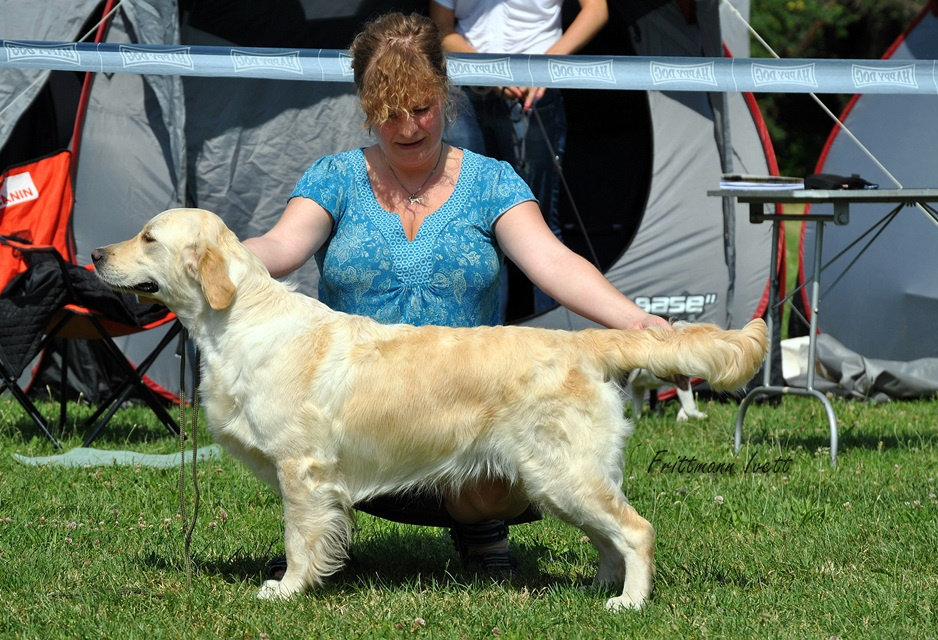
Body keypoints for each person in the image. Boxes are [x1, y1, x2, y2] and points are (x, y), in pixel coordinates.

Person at [243, 11, 670, 579]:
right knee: (301, 437)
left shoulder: (490, 181)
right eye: (388, 113)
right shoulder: (335, 178)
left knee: (502, 451)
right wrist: (210, 259)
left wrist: (633, 319)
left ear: (445, 92)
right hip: (358, 432)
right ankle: (322, 536)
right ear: (366, 107)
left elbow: (554, 263)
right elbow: (279, 245)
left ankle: (481, 526)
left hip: (465, 427)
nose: (408, 128)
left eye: (421, 107)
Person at [429, 0, 609, 316]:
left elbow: (597, 10)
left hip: (534, 92)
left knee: (537, 222)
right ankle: (481, 341)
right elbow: (442, 26)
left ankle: (553, 338)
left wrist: (545, 66)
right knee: (471, 224)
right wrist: (488, 69)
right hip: (466, 94)